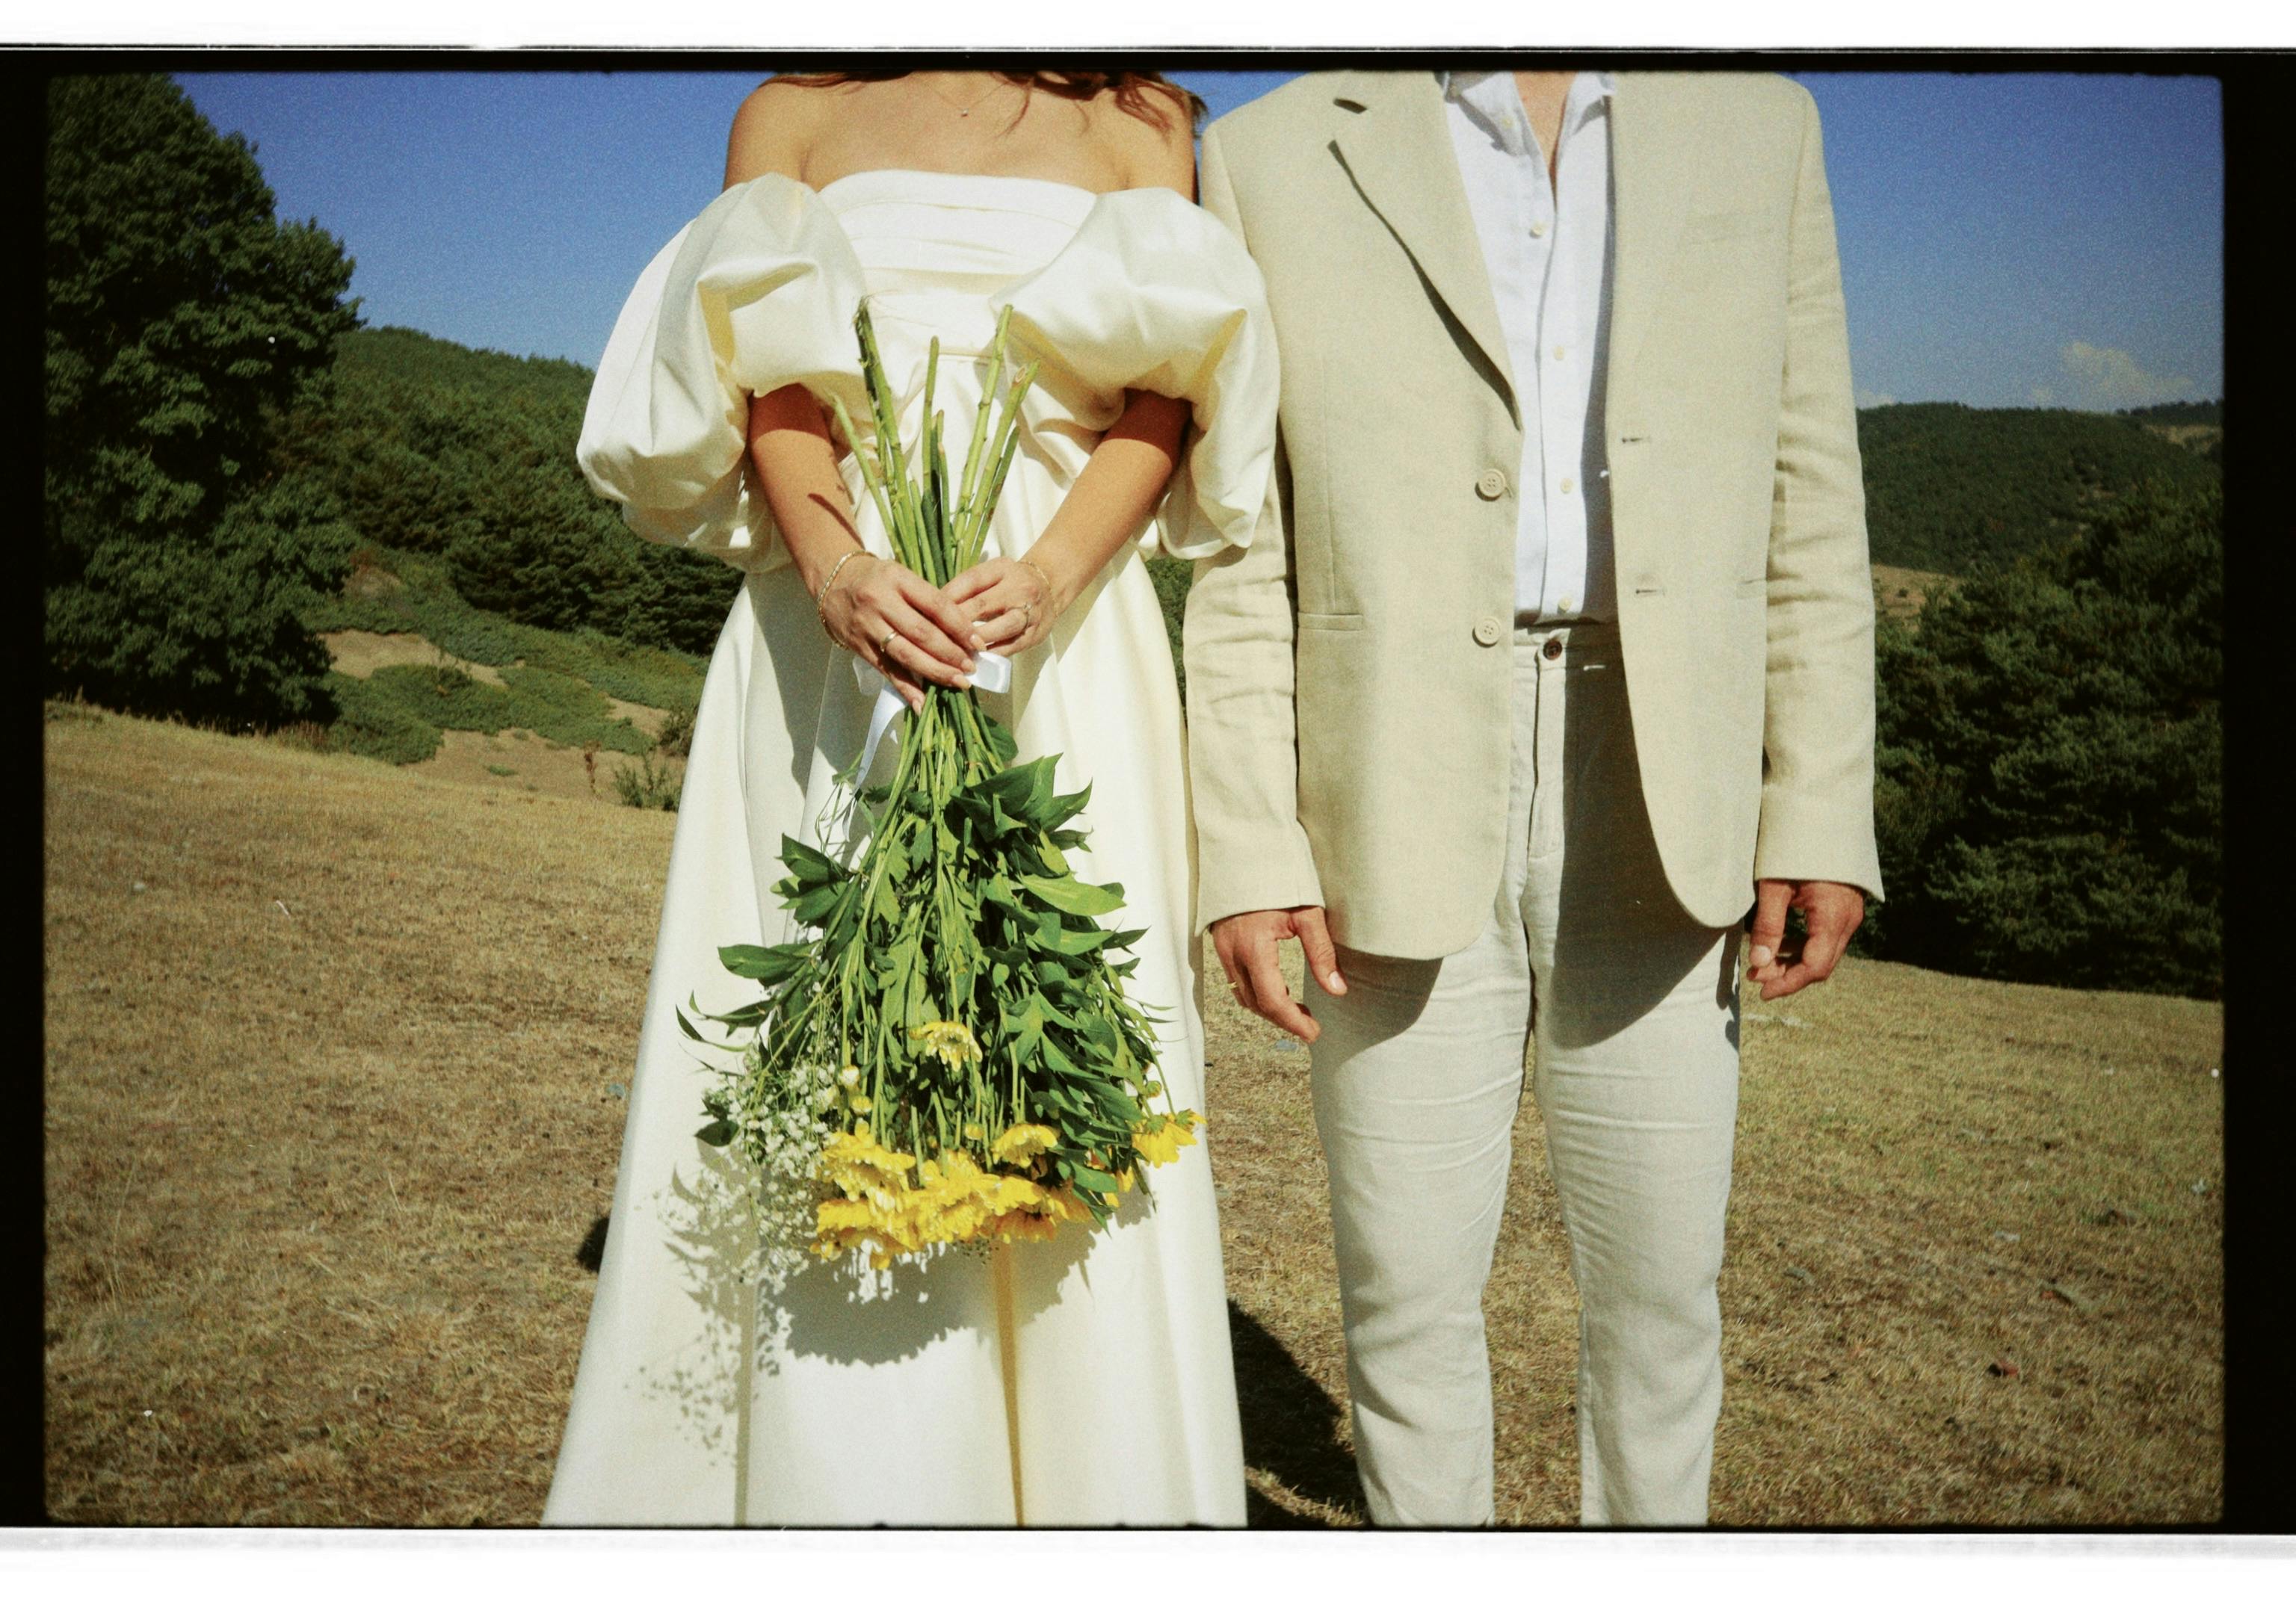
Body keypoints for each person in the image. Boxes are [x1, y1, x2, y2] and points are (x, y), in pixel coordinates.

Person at [543, 69, 1274, 1527]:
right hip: (835, 619)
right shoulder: (793, 109)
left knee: (1068, 1003)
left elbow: (1167, 399)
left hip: (1059, 630)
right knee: (823, 1001)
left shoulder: (1145, 122)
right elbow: (773, 377)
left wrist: (1053, 571)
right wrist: (835, 571)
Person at [1186, 69, 1883, 1526]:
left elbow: (1812, 492)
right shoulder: (1263, 151)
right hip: (1378, 772)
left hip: (1663, 769)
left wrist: (1817, 798)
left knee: (1660, 1293)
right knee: (1403, 1287)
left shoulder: (1763, 126)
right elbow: (1241, 537)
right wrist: (1248, 838)